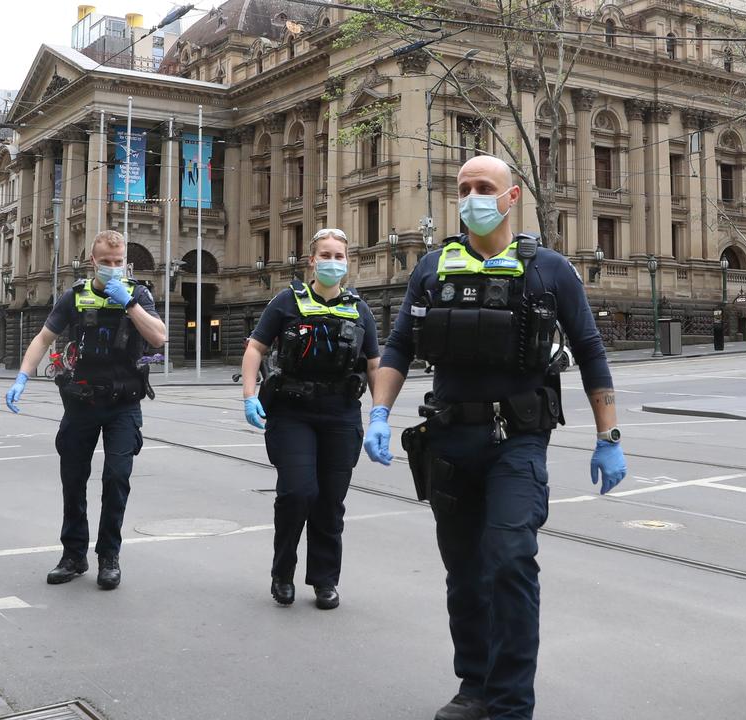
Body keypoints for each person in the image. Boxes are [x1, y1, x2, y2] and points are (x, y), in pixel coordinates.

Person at [363, 155, 627, 720]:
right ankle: (475, 686)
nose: (473, 197)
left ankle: (510, 704)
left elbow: (590, 350)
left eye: (485, 188)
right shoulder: (432, 269)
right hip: (450, 440)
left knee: (509, 560)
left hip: (518, 441)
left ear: (511, 199)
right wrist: (379, 413)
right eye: (464, 188)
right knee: (463, 572)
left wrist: (610, 433)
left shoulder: (551, 270)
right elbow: (399, 348)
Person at [5, 230, 166, 590]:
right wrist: (22, 377)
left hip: (123, 405)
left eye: (117, 262)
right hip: (81, 402)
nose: (112, 268)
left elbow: (159, 337)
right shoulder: (75, 297)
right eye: (105, 262)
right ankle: (74, 555)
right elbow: (43, 338)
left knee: (116, 478)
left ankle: (109, 557)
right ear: (92, 261)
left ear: (126, 262)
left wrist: (129, 304)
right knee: (73, 480)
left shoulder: (137, 294)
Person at [241, 228, 379, 610]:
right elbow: (255, 348)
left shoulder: (360, 308)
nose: (333, 261)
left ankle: (324, 581)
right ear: (311, 261)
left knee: (330, 502)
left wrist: (380, 413)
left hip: (340, 414)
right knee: (297, 493)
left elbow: (374, 363)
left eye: (340, 255)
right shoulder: (286, 302)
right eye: (326, 255)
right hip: (292, 413)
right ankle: (282, 572)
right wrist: (249, 395)